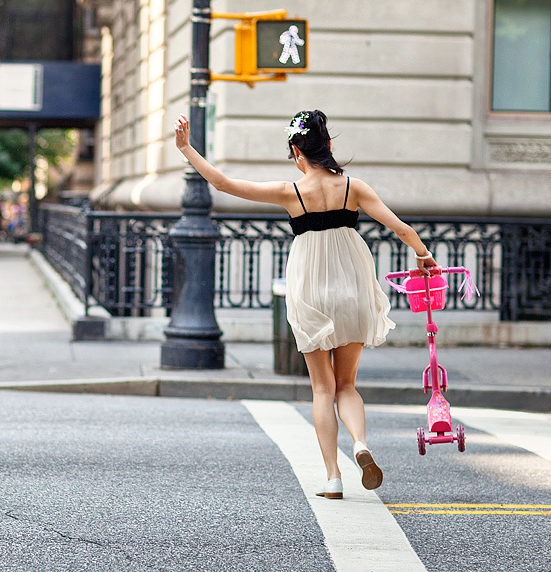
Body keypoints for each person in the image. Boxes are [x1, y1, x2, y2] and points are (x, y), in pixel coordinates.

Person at [173, 110, 438, 498]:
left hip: (312, 292)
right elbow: (401, 228)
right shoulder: (354, 187)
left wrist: (186, 148)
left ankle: (332, 477)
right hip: (353, 290)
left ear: (297, 151)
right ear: (328, 147)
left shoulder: (290, 191)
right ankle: (360, 444)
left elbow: (224, 183)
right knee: (347, 385)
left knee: (321, 389)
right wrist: (422, 256)